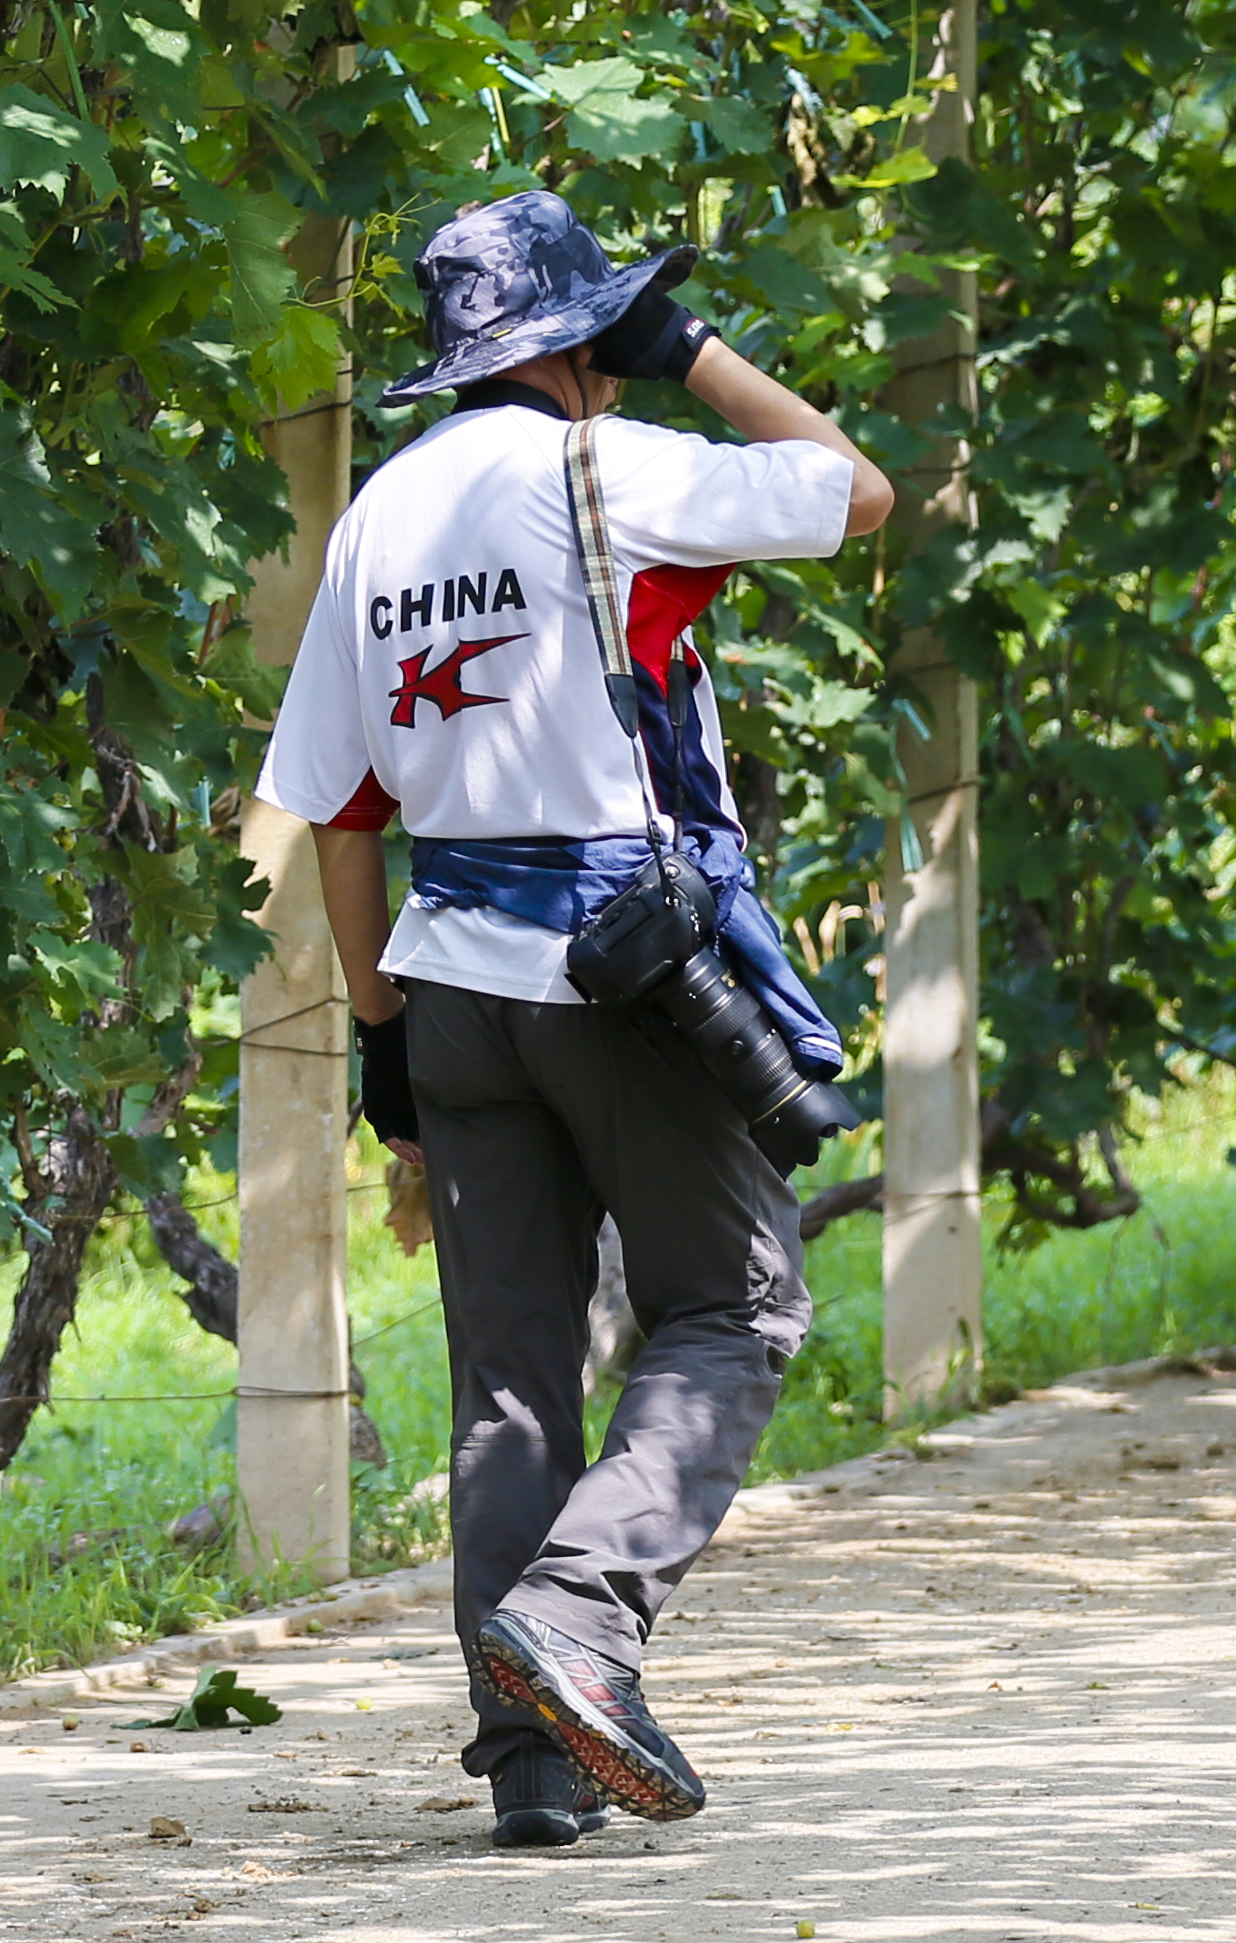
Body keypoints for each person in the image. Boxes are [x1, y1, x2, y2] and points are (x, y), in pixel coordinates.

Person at [253, 188, 897, 1849]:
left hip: (449, 982)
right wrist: (690, 350)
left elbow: (338, 811)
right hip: (621, 972)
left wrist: (389, 1048)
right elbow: (859, 488)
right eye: (611, 330)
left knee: (511, 1385)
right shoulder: (603, 466)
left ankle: (531, 1765)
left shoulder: (381, 517)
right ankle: (583, 1620)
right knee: (735, 1311)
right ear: (575, 345)